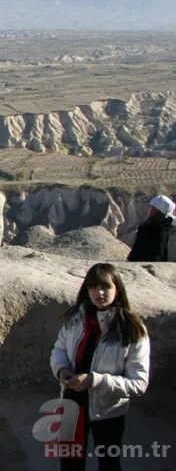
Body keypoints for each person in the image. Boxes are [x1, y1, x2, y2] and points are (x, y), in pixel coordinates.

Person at [50, 263, 150, 471]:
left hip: (108, 410)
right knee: (69, 463)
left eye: (106, 286)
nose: (100, 293)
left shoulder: (131, 329)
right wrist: (62, 370)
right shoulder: (76, 319)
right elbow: (59, 349)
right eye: (93, 287)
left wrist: (94, 381)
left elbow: (139, 383)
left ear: (118, 289)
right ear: (86, 290)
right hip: (72, 403)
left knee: (109, 462)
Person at [127, 195, 173, 262]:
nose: (149, 209)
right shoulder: (148, 226)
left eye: (152, 207)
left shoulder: (160, 230)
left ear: (157, 211)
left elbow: (157, 255)